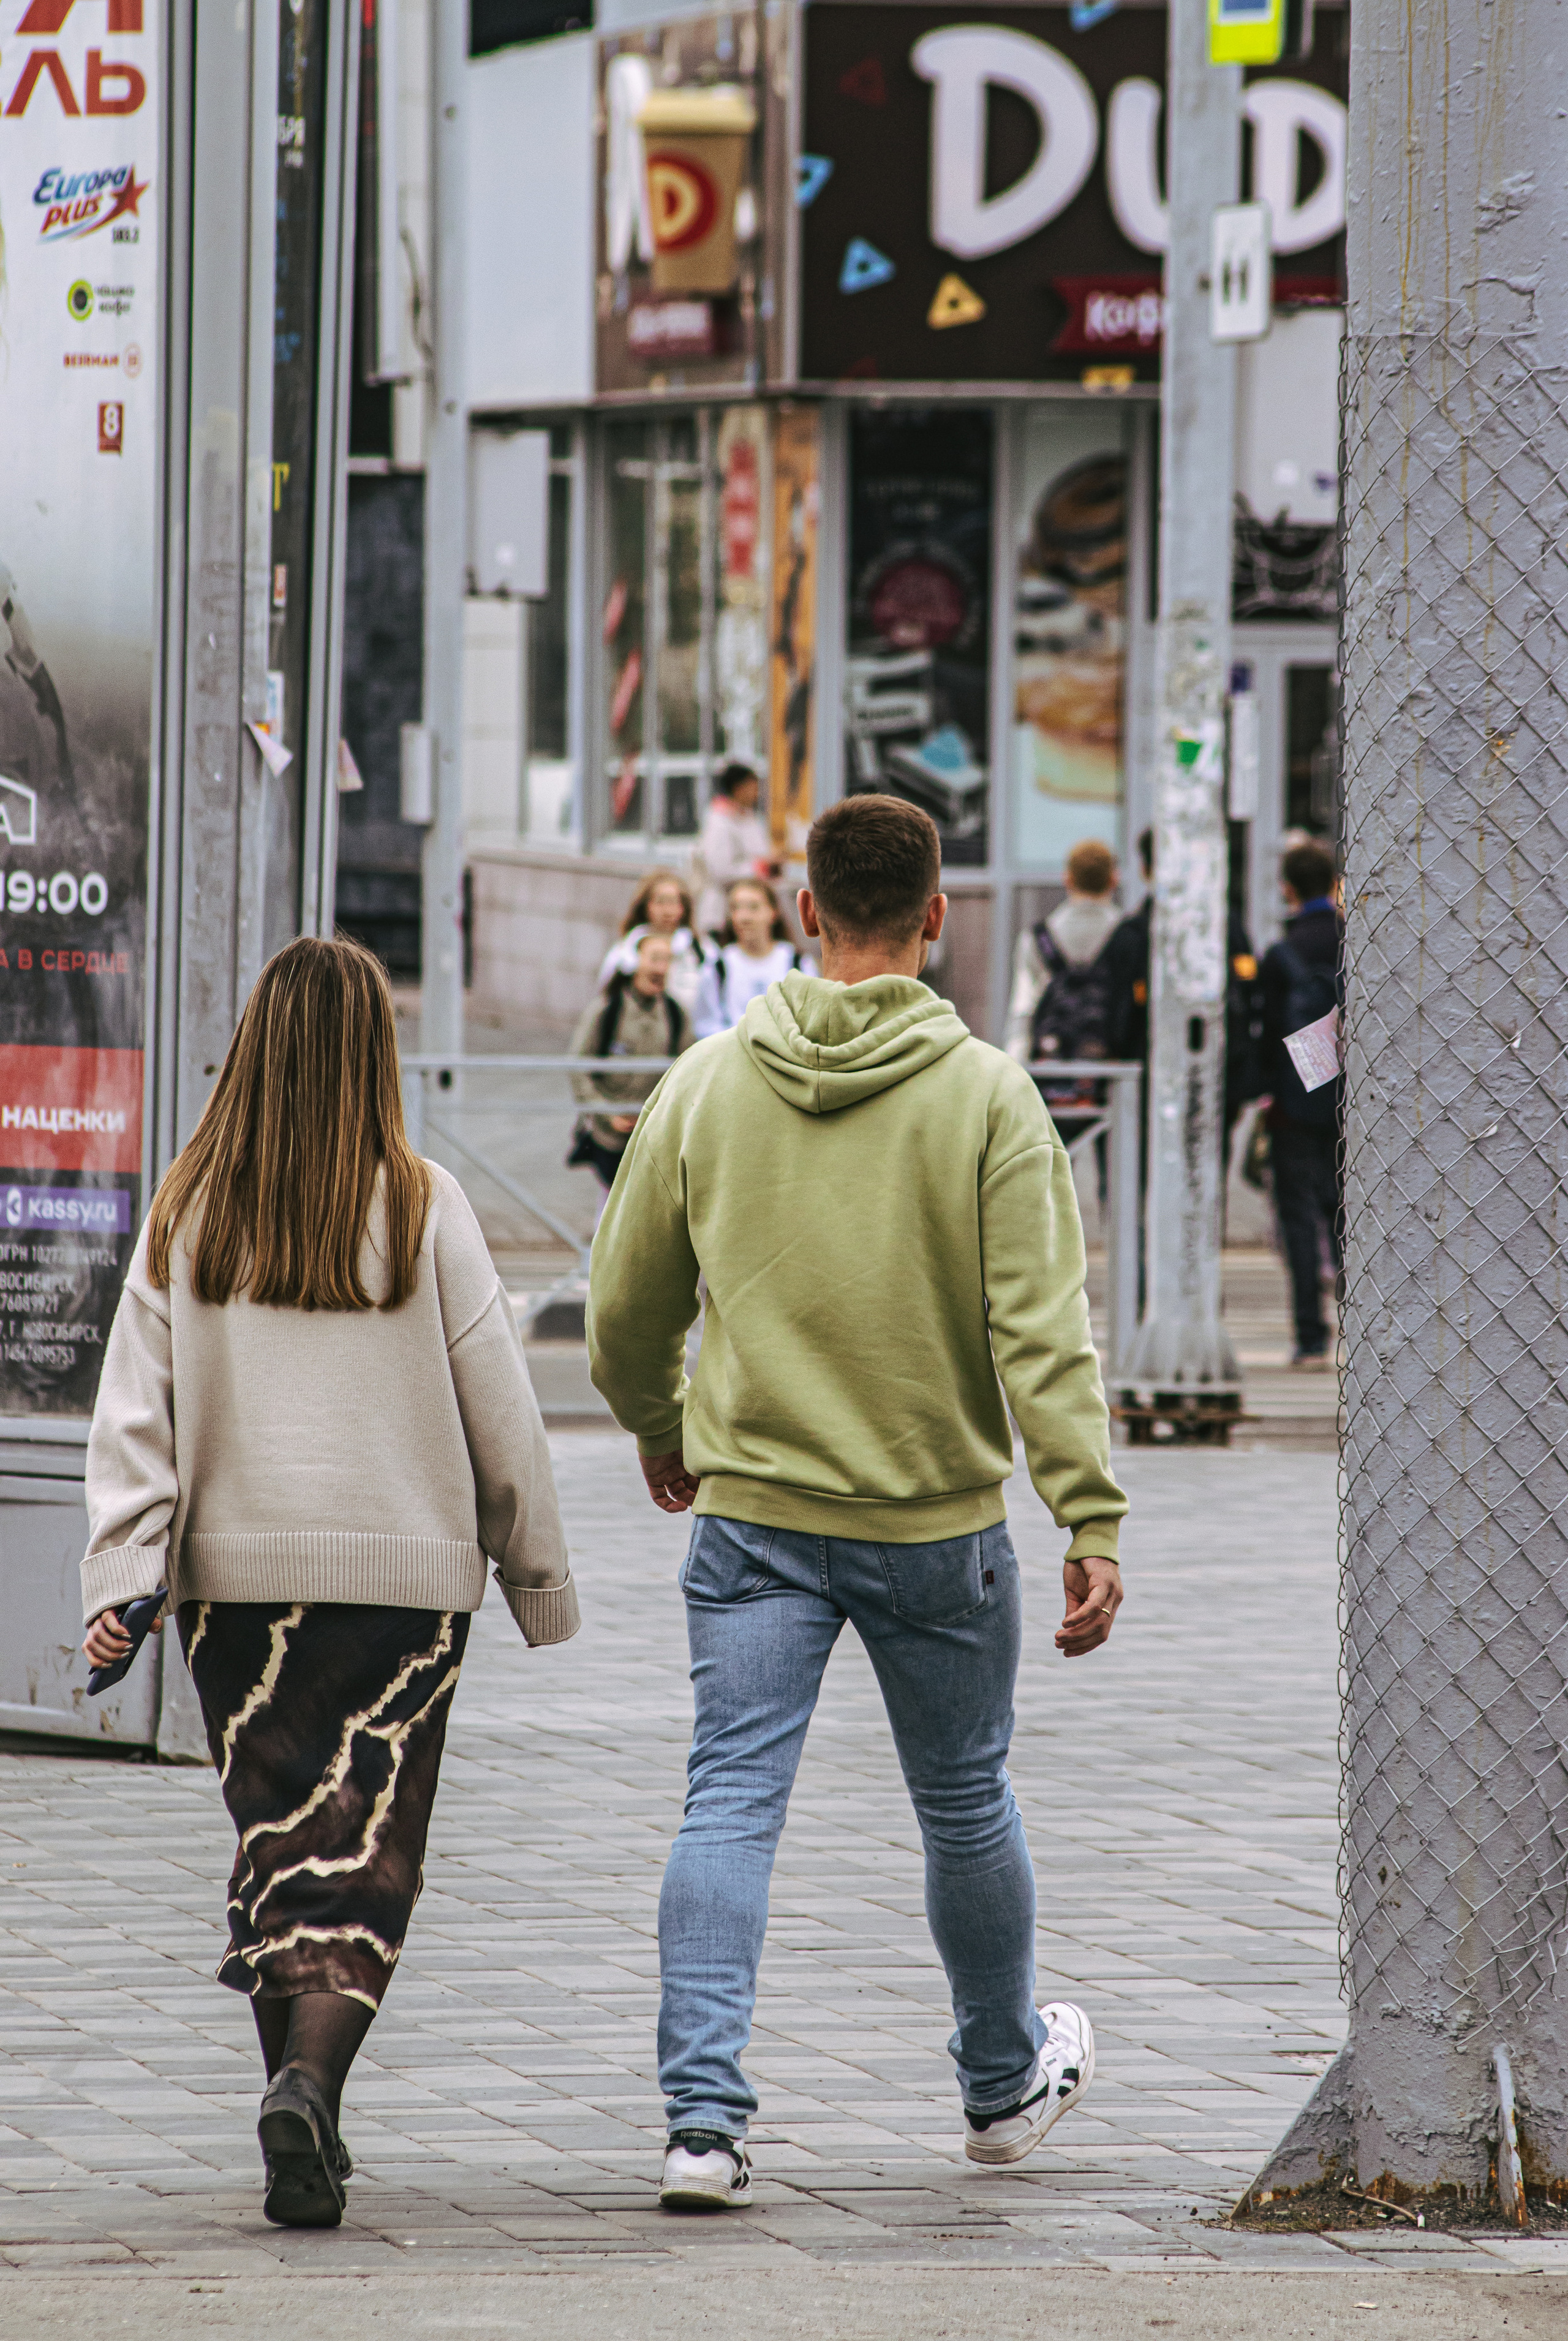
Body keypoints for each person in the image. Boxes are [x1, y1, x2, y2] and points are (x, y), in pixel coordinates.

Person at [588, 792, 1128, 2214]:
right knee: (962, 1796)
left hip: (751, 1512)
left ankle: (700, 2125)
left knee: (728, 1795)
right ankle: (1000, 2082)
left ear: (806, 910)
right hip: (931, 1522)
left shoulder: (708, 1079)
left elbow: (620, 1303)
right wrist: (1088, 1515)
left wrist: (661, 1422)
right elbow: (1041, 1334)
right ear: (935, 916)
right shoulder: (988, 1097)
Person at [79, 936, 576, 2231]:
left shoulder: (191, 1205)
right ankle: (308, 2080)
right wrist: (535, 1570)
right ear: (373, 1052)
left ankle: (301, 2113)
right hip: (402, 1594)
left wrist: (130, 1564)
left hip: (239, 1598)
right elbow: (501, 1411)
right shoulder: (424, 1202)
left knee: (277, 1845)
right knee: (365, 1858)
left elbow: (138, 1407)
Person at [1259, 838, 1344, 1368]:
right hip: (1352, 1105)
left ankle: (1310, 1335)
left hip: (1294, 1103)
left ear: (1287, 888)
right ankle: (1364, 1324)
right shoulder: (1357, 942)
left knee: (1298, 1217)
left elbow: (1265, 1032)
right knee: (1349, 1214)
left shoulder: (1280, 954)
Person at [569, 929, 693, 1200]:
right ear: (634, 962)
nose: (661, 968)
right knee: (613, 1206)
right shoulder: (607, 1009)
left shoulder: (676, 1014)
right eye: (654, 958)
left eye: (667, 960)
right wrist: (607, 1113)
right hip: (610, 1137)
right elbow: (579, 1066)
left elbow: (689, 1071)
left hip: (654, 1138)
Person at [1005, 838, 1121, 1065]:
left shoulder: (1038, 938)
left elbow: (1023, 1011)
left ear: (1067, 879)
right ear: (1113, 880)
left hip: (1053, 1071)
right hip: (1115, 1074)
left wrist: (1015, 1068)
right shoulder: (1129, 935)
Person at [692, 878, 810, 1038]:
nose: (744, 918)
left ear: (773, 912)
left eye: (754, 908)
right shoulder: (718, 967)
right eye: (736, 908)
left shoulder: (798, 963)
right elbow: (706, 1025)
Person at [595, 869, 712, 1023]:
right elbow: (606, 996)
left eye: (673, 902)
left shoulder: (702, 952)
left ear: (683, 908)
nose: (667, 911)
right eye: (660, 902)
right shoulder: (624, 952)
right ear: (646, 906)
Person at [693, 763, 777, 936]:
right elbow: (720, 870)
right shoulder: (719, 821)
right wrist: (760, 867)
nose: (757, 793)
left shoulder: (749, 818)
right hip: (722, 915)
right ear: (738, 789)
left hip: (752, 912)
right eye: (753, 787)